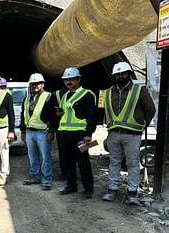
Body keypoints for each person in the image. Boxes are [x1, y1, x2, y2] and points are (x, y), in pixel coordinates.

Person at [102, 61, 155, 204]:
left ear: (129, 74)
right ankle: (112, 189)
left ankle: (132, 192)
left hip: (132, 135)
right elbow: (106, 113)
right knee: (114, 162)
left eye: (123, 74)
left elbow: (150, 110)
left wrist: (141, 125)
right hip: (113, 133)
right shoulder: (108, 93)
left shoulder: (139, 90)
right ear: (114, 76)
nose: (120, 76)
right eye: (117, 74)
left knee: (132, 163)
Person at [55, 67, 97, 199]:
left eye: (71, 79)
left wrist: (88, 133)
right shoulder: (65, 95)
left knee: (83, 162)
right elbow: (64, 114)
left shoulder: (87, 95)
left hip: (80, 134)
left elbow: (92, 116)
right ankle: (71, 185)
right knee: (68, 161)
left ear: (78, 79)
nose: (68, 82)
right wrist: (58, 115)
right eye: (66, 80)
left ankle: (88, 189)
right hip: (64, 134)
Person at [20, 73, 54, 190]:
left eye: (37, 83)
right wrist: (23, 131)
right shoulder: (27, 98)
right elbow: (23, 115)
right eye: (33, 84)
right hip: (30, 132)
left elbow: (53, 116)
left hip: (43, 132)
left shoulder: (48, 96)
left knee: (45, 157)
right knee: (32, 156)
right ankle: (35, 176)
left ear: (42, 84)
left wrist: (52, 131)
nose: (35, 86)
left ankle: (46, 179)